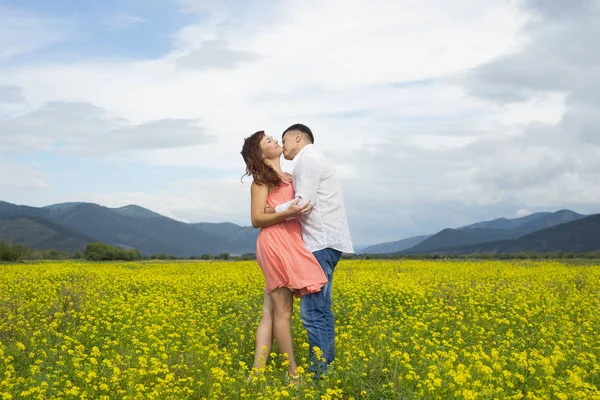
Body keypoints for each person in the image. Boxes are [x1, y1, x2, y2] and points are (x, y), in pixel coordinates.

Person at [240, 130, 329, 380]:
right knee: (284, 313)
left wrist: (283, 210)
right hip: (275, 244)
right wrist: (286, 212)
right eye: (268, 141)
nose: (275, 141)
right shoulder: (261, 182)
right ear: (260, 154)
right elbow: (257, 219)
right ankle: (293, 374)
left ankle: (256, 374)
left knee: (269, 312)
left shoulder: (289, 177)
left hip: (290, 242)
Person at [272, 123, 354, 377]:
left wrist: (269, 211)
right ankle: (326, 369)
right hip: (328, 242)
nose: (282, 144)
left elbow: (303, 203)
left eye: (284, 139)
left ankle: (320, 376)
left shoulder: (307, 160)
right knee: (321, 311)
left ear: (298, 137)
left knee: (312, 313)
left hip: (320, 243)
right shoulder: (314, 160)